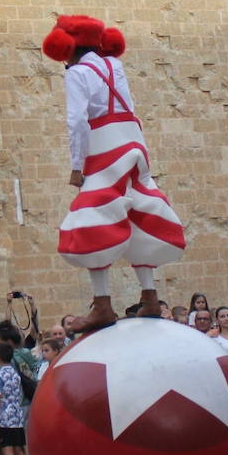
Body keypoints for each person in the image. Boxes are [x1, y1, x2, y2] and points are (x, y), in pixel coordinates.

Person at [45, 16, 185, 330]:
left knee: (94, 216)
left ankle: (102, 303)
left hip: (104, 144)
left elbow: (77, 122)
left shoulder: (78, 73)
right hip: (132, 141)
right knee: (140, 209)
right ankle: (149, 296)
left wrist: (77, 165)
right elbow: (129, 107)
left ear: (67, 46)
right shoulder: (114, 66)